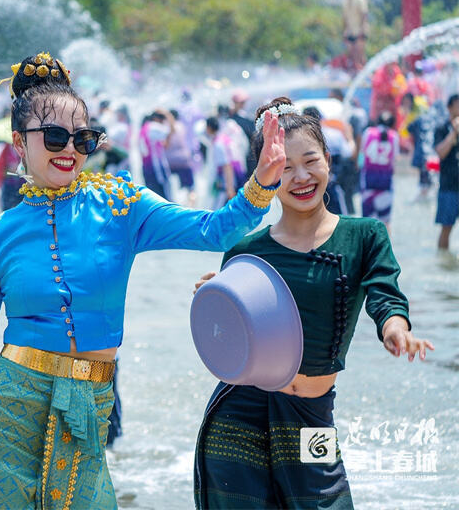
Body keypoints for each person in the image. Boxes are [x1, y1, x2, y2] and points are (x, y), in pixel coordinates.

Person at [0, 52, 286, 509]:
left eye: (83, 139)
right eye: (55, 136)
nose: (70, 151)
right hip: (5, 416)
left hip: (91, 405)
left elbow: (214, 230)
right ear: (20, 143)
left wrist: (262, 181)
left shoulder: (122, 205)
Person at [193, 98, 433, 509]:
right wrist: (215, 299)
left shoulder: (365, 235)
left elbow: (385, 292)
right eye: (284, 167)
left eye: (310, 160)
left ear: (328, 160)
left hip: (311, 418)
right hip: (240, 417)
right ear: (265, 175)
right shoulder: (244, 252)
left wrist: (396, 328)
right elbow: (228, 341)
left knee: (328, 501)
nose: (300, 176)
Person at [359, 110, 399, 230]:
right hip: (385, 182)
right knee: (385, 222)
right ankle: (385, 247)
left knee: (366, 222)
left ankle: (366, 247)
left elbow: (362, 154)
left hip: (368, 180)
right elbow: (394, 161)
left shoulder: (368, 132)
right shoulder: (394, 136)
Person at [434, 94, 459, 251]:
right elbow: (441, 153)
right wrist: (454, 133)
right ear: (449, 108)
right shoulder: (442, 128)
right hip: (448, 186)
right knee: (446, 228)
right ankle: (442, 260)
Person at [342, 0, 369, 70]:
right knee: (351, 53)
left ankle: (364, 72)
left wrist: (362, 29)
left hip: (359, 30)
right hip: (350, 31)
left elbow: (364, 14)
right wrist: (345, 31)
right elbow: (345, 18)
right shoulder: (345, 1)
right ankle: (355, 72)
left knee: (360, 53)